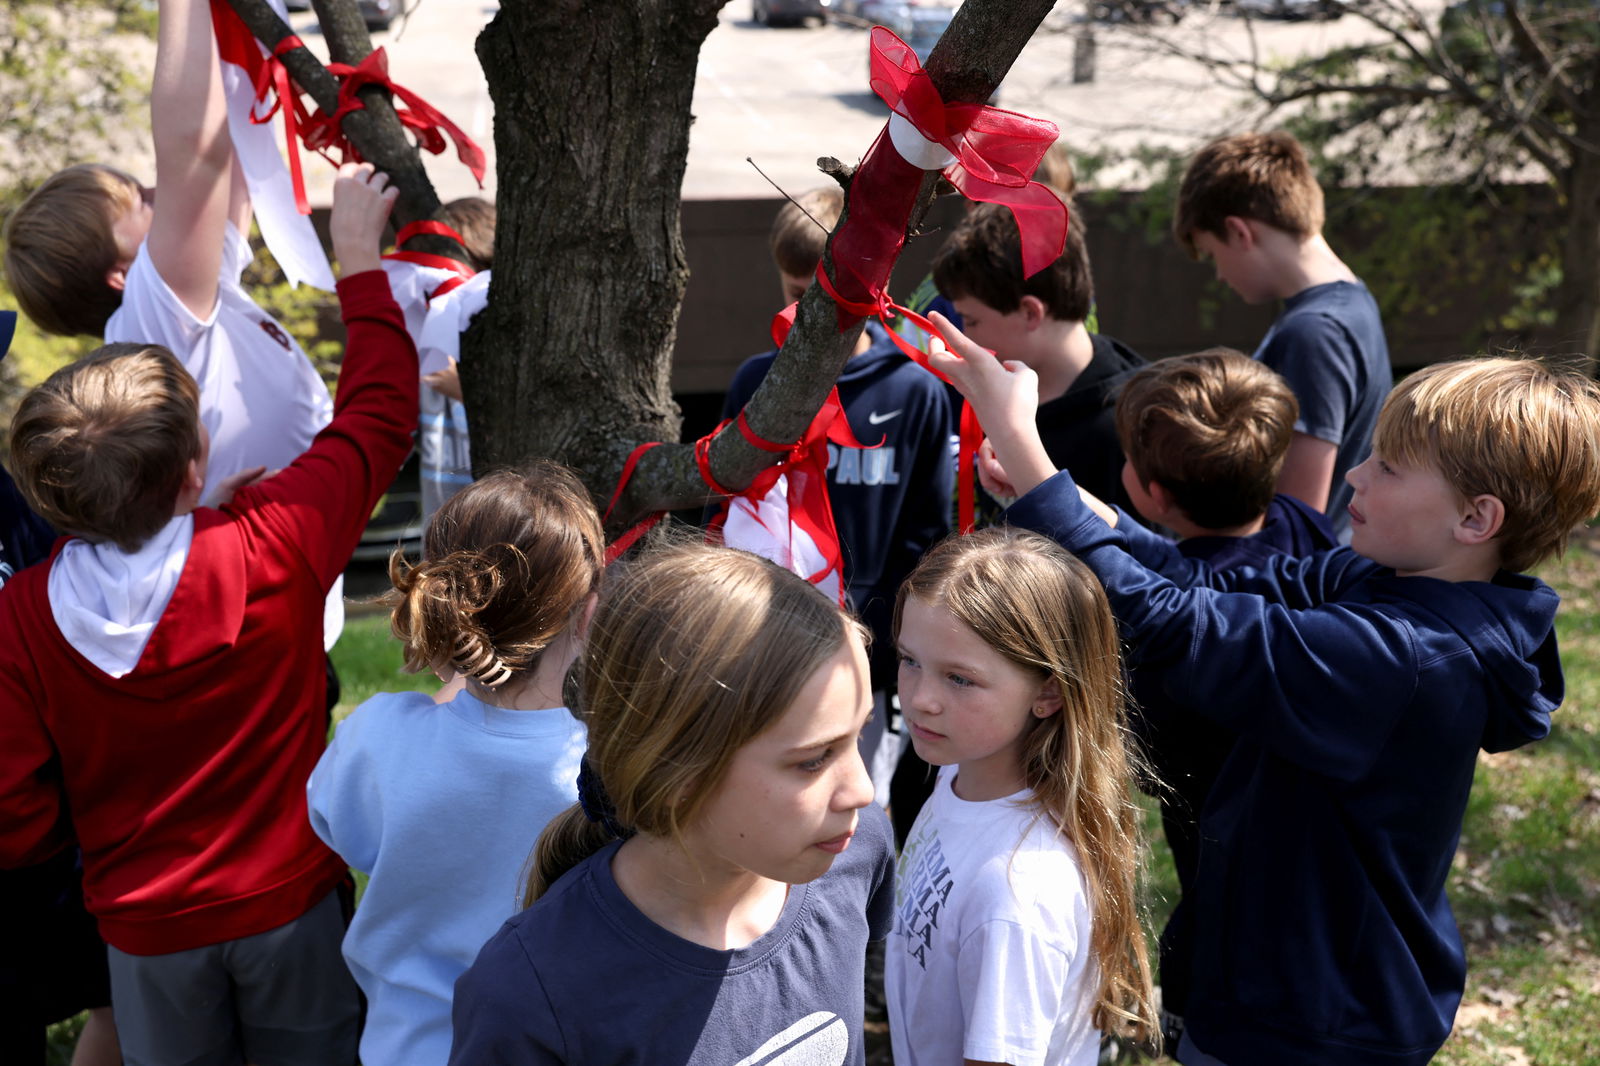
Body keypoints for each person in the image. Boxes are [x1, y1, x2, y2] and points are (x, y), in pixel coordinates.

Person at [931, 318, 1600, 1066]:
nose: (1356, 475)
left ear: (1476, 519)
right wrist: (1061, 495)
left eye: (1390, 468)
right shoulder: (1387, 583)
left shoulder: (1402, 658)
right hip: (1285, 984)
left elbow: (1171, 622)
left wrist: (1022, 442)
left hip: (1311, 1024)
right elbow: (1205, 579)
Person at [0, 162, 416, 1066]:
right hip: (291, 904)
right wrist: (356, 261)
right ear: (192, 471)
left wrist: (78, 833)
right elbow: (379, 415)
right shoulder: (271, 541)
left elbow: (14, 808)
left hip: (143, 932)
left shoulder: (24, 617)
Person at [448, 544, 895, 1065]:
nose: (862, 790)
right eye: (814, 760)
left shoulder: (856, 854)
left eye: (856, 737)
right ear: (678, 770)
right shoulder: (530, 994)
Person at [3, 0, 348, 657]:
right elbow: (194, 155)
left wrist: (231, 35)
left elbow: (229, 168)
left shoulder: (190, 302)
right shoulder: (152, 321)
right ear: (121, 274)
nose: (162, 198)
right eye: (140, 202)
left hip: (281, 605)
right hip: (259, 618)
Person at [307, 462, 602, 1066]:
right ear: (587, 614)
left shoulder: (377, 739)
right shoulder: (603, 768)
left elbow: (341, 828)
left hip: (401, 1049)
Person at [1111, 348, 1338, 1046]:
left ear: (1155, 497)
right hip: (1310, 837)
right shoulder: (1301, 527)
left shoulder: (1175, 624)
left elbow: (1147, 744)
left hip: (1220, 848)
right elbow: (1199, 565)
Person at [887, 527, 1159, 1065]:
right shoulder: (960, 773)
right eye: (910, 660)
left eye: (959, 679)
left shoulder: (1015, 895)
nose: (920, 699)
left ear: (1049, 692)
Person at [719, 185, 953, 806]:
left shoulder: (915, 392)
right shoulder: (755, 382)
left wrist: (898, 643)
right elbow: (725, 517)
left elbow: (928, 535)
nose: (806, 315)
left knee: (856, 801)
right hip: (765, 639)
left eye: (819, 297)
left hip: (868, 654)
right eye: (794, 295)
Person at [1174, 131, 1390, 540]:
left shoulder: (1314, 332)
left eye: (1214, 254)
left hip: (1294, 591)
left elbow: (1297, 517)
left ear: (1240, 233)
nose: (1220, 275)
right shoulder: (1350, 301)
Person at [931, 201, 1143, 520]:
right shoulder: (1001, 389)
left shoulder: (1129, 425)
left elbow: (1135, 560)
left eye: (971, 321)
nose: (968, 337)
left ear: (1030, 312)